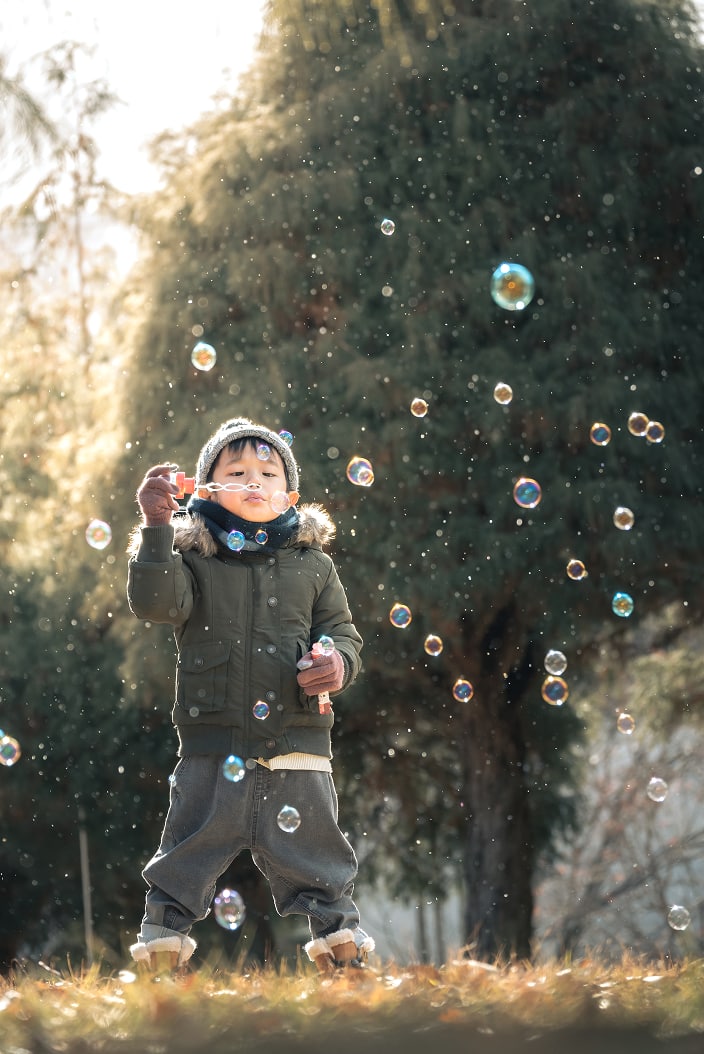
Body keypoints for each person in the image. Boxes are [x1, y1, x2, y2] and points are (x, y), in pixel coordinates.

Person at [126, 417, 374, 974]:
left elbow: (344, 636)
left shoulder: (314, 564)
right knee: (185, 853)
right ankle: (162, 953)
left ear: (289, 493)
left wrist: (335, 663)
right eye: (236, 472)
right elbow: (157, 603)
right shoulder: (192, 557)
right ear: (205, 488)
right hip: (213, 747)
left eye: (268, 471)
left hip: (298, 744)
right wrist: (156, 525)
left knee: (319, 859)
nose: (253, 481)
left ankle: (344, 953)